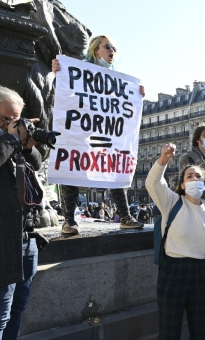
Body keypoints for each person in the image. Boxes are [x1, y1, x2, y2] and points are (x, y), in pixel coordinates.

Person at [145, 143, 205, 340]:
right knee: (169, 329)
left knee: (201, 326)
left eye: (198, 176)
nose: (195, 180)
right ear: (181, 184)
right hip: (173, 270)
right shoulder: (172, 202)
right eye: (190, 177)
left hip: (200, 271)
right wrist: (163, 159)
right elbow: (153, 183)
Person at [51, 35, 145, 235]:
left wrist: (137, 94)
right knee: (72, 169)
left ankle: (125, 216)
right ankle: (69, 220)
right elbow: (61, 95)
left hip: (104, 134)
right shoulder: (77, 71)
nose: (112, 51)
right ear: (96, 50)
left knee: (114, 169)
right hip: (79, 132)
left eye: (114, 49)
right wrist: (58, 74)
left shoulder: (117, 79)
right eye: (107, 47)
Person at [0, 85, 45, 340]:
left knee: (16, 308)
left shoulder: (10, 140)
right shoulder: (0, 141)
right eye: (8, 118)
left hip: (25, 237)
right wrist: (12, 139)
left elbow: (35, 166)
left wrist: (26, 143)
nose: (15, 122)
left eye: (18, 118)